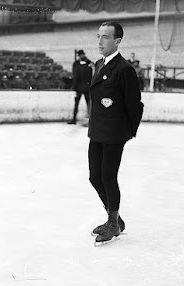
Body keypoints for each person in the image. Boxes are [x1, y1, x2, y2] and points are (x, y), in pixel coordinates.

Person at [88, 21, 144, 246]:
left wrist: (128, 131)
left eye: (105, 37)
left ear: (117, 41)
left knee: (108, 177)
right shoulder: (99, 64)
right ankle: (115, 218)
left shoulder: (124, 69)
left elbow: (135, 105)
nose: (100, 41)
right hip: (98, 131)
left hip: (114, 133)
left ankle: (112, 222)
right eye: (98, 36)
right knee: (94, 176)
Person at [67, 50, 93, 125]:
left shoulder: (88, 63)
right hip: (80, 87)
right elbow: (75, 77)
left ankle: (90, 120)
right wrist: (74, 88)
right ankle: (74, 119)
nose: (81, 56)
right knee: (78, 104)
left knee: (88, 104)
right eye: (80, 55)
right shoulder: (77, 64)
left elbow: (91, 76)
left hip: (85, 87)